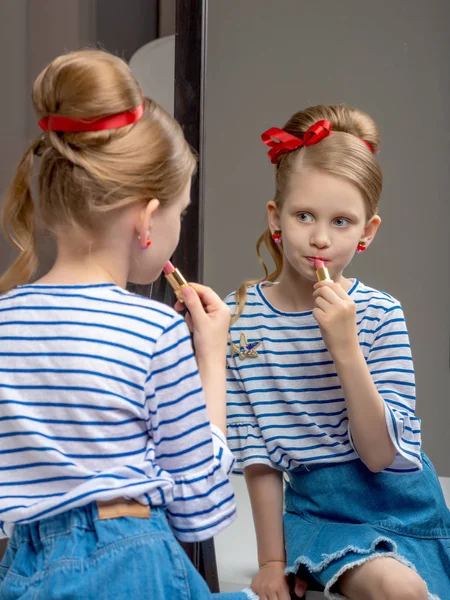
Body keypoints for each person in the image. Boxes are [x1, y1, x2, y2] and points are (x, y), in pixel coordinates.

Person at [0, 50, 258, 600]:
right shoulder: (153, 329)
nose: (177, 229)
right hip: (132, 562)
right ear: (145, 218)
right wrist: (210, 359)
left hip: (24, 568)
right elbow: (200, 507)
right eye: (179, 214)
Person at [226, 104, 450, 600]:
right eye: (304, 215)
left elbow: (379, 454)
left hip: (406, 504)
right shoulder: (238, 321)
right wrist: (271, 561)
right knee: (396, 587)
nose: (320, 238)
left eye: (342, 222)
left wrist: (346, 348)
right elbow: (257, 454)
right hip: (321, 513)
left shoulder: (380, 315)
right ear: (276, 217)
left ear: (368, 231)